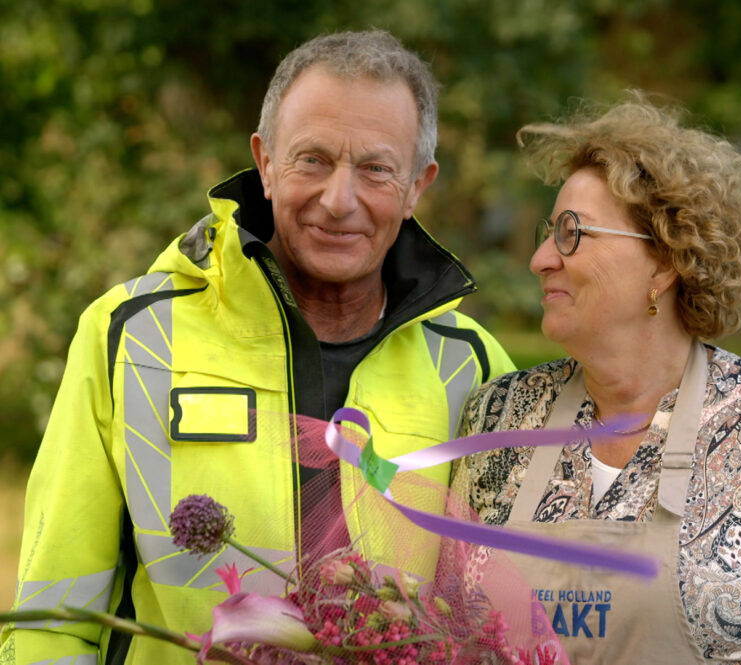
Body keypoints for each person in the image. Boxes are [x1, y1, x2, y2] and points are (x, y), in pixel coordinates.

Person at [1, 30, 515, 664]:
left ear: (417, 186)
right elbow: (53, 621)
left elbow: (499, 621)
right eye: (312, 160)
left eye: (376, 169)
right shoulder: (133, 338)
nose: (339, 200)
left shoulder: (475, 370)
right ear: (265, 162)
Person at [452, 94, 741, 663]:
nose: (540, 259)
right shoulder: (498, 418)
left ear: (664, 261)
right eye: (547, 232)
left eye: (571, 232)